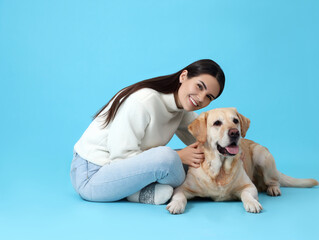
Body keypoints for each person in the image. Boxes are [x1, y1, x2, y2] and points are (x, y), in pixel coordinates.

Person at [70, 59, 225, 204]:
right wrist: (178, 157)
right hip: (93, 175)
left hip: (126, 169)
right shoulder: (143, 101)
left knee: (200, 157)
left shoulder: (180, 109)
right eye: (199, 86)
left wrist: (237, 150)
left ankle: (135, 191)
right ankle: (133, 191)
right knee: (168, 158)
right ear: (183, 76)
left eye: (209, 97)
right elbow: (121, 157)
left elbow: (208, 139)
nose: (200, 98)